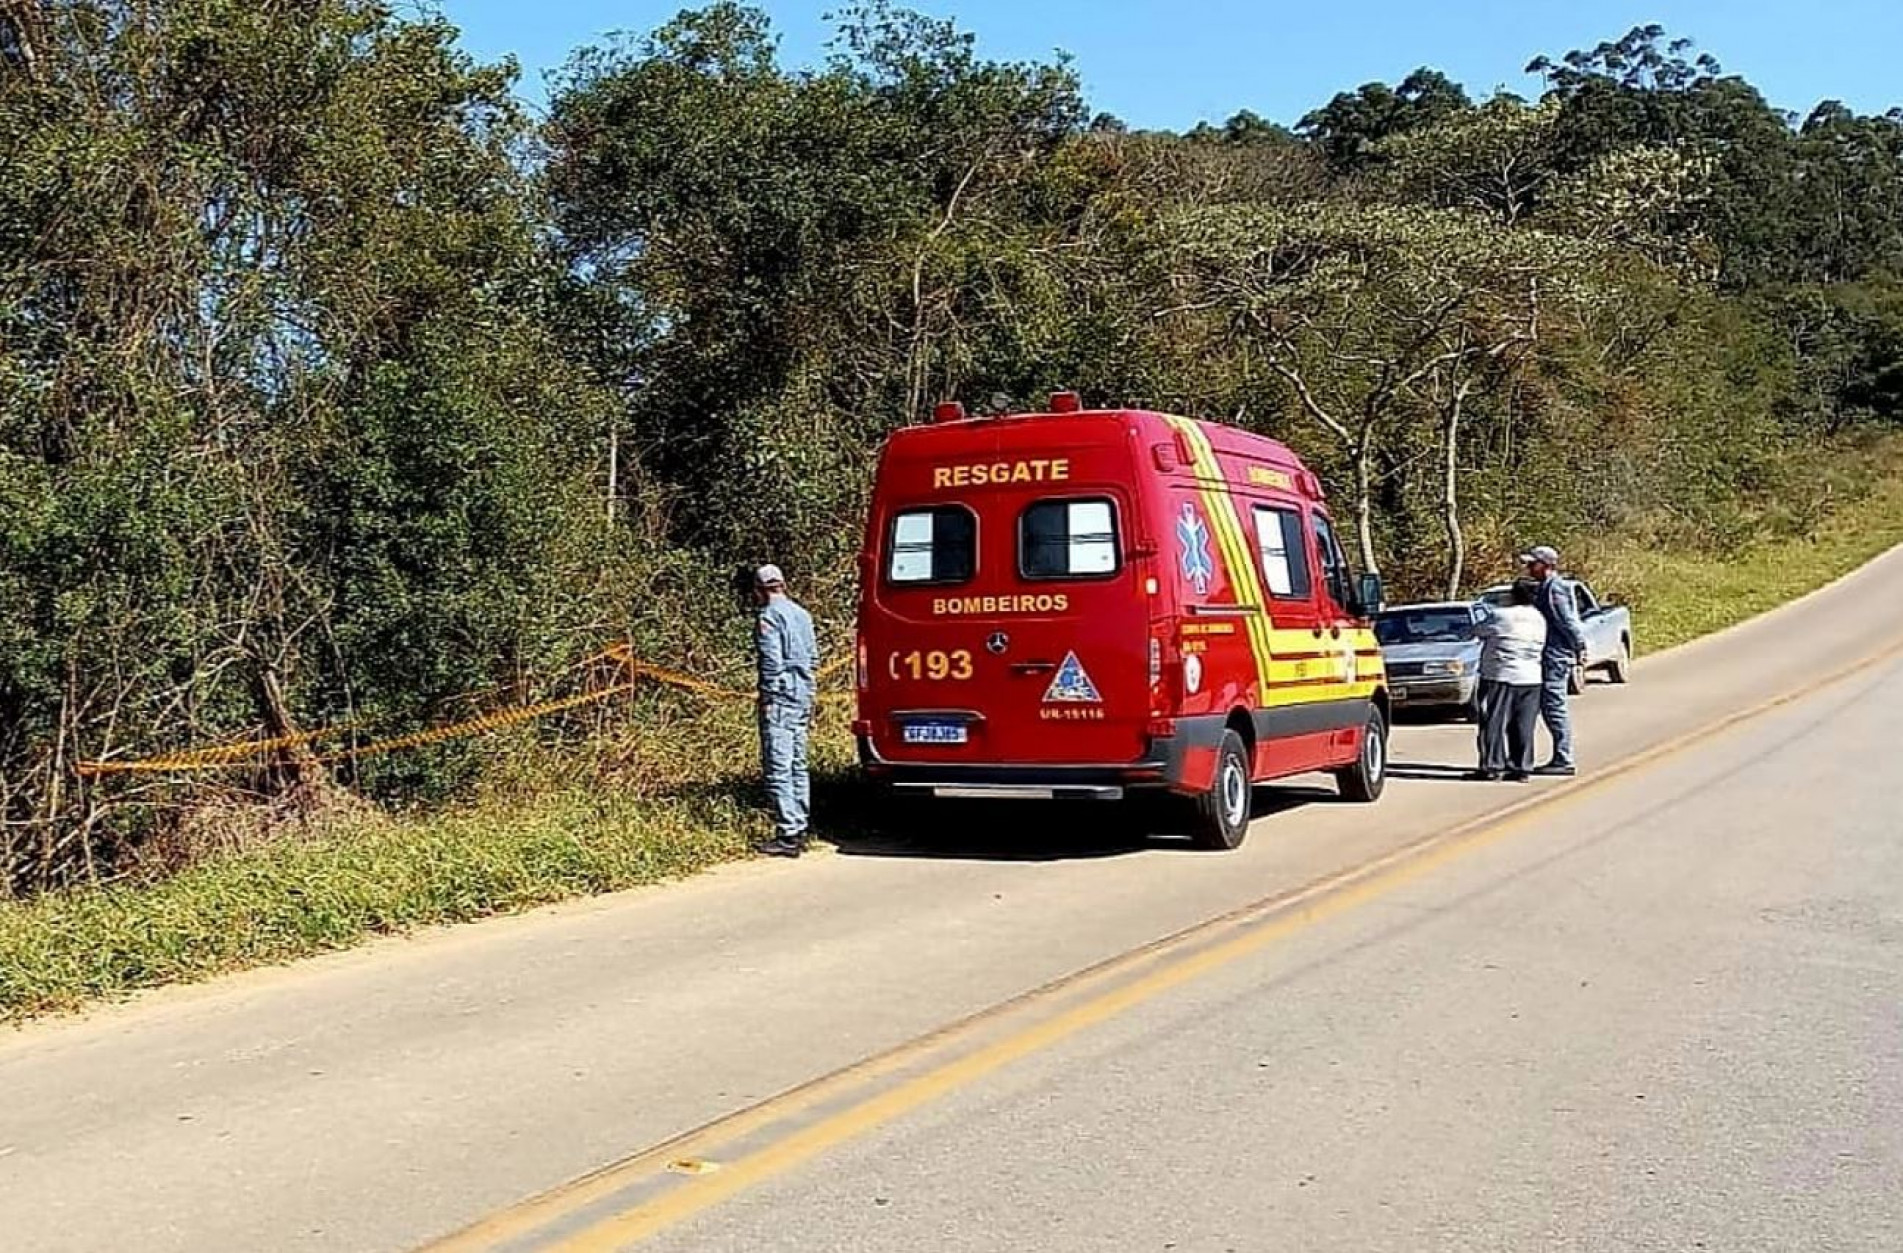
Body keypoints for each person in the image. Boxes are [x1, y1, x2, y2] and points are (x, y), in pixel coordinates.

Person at [752, 564, 819, 857]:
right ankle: (800, 825)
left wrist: (768, 695)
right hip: (803, 693)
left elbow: (771, 661)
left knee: (779, 765)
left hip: (781, 697)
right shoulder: (803, 615)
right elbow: (814, 657)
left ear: (760, 589)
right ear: (783, 584)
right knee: (798, 763)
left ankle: (788, 832)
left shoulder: (769, 616)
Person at [1469, 578, 1548, 782]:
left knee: (1493, 722)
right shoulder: (1540, 618)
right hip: (1531, 676)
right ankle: (1522, 767)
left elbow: (1477, 631)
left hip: (1499, 675)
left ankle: (1493, 766)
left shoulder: (1500, 615)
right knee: (1524, 724)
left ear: (1513, 595)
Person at [1522, 544, 1588, 777]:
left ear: (1546, 565)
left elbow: (1567, 621)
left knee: (1554, 706)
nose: (1529, 568)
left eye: (1533, 563)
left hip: (1556, 655)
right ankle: (1559, 756)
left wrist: (1579, 647)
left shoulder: (1554, 589)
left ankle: (1563, 758)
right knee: (1548, 707)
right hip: (1548, 654)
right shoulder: (1543, 588)